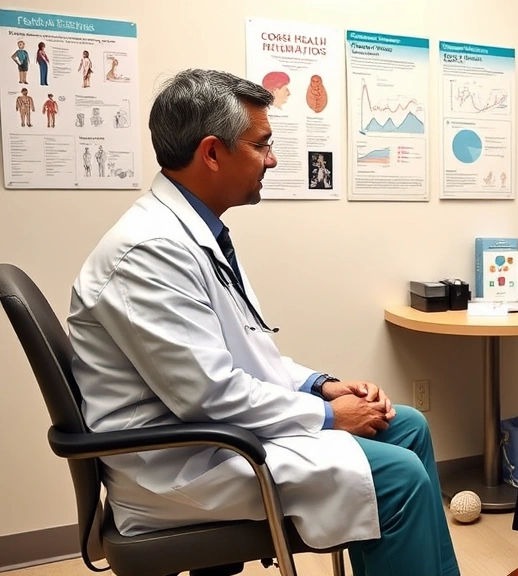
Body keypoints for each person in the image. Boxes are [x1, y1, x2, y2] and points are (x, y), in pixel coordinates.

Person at [67, 69, 460, 576]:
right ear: (212, 153)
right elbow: (208, 395)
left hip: (215, 434)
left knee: (405, 426)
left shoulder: (194, 233)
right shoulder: (150, 251)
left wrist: (324, 386)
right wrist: (328, 416)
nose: (272, 159)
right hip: (182, 462)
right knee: (397, 476)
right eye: (263, 145)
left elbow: (246, 348)